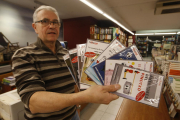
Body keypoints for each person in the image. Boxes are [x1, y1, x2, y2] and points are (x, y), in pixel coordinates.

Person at [11, 5, 121, 120]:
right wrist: (84, 97)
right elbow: (34, 103)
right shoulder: (23, 55)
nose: (51, 26)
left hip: (72, 115)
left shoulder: (66, 53)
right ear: (35, 27)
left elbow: (73, 82)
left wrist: (77, 106)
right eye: (45, 21)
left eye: (55, 22)